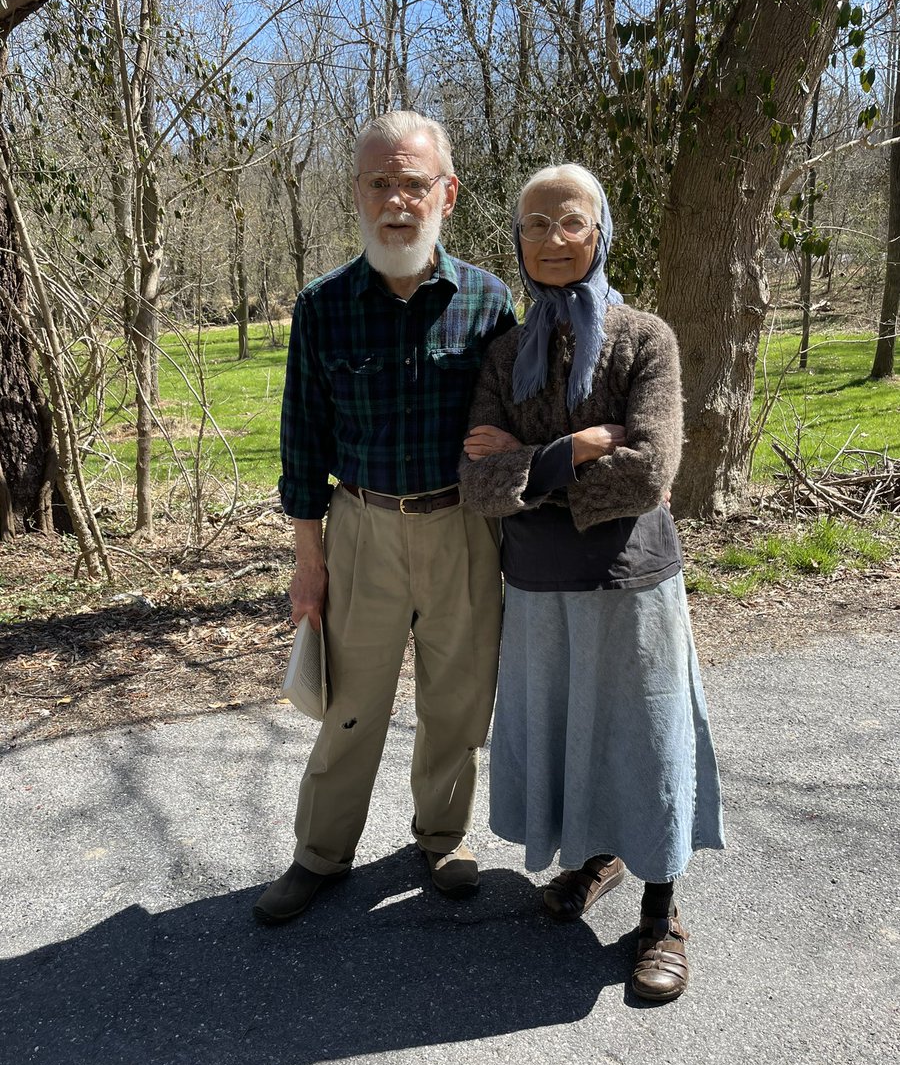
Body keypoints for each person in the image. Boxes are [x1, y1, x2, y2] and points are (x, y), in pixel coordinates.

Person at [458, 164, 724, 1002]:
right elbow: (475, 487)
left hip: (630, 578)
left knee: (646, 740)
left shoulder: (646, 339)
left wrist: (524, 472)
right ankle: (597, 860)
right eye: (534, 225)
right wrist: (575, 450)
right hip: (536, 584)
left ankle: (663, 910)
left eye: (569, 221)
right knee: (569, 732)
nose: (551, 239)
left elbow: (650, 475)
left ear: (601, 229)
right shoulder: (504, 351)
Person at [254, 111, 517, 923]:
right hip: (360, 524)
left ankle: (444, 838)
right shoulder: (324, 306)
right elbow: (302, 443)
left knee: (458, 696)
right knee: (350, 702)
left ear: (448, 191)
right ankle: (320, 855)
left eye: (414, 183)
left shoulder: (487, 300)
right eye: (380, 184)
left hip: (463, 529)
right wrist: (309, 559)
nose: (397, 201)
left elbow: (517, 413)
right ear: (359, 193)